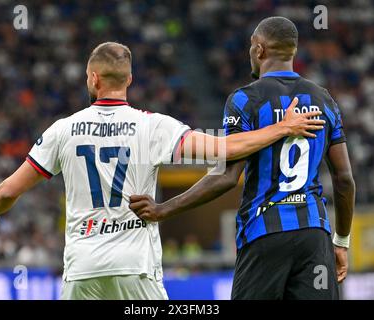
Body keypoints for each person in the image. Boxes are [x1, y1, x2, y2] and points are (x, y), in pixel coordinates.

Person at [0, 42, 324, 300]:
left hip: (82, 271)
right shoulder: (153, 126)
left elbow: (8, 192)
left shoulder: (63, 129)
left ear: (93, 78)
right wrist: (282, 128)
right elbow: (224, 149)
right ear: (130, 80)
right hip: (135, 268)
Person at [130, 17, 355, 300]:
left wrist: (164, 209)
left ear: (259, 50)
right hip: (314, 235)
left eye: (251, 47)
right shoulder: (324, 100)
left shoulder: (244, 100)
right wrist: (341, 242)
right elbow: (344, 179)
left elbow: (226, 176)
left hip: (263, 233)